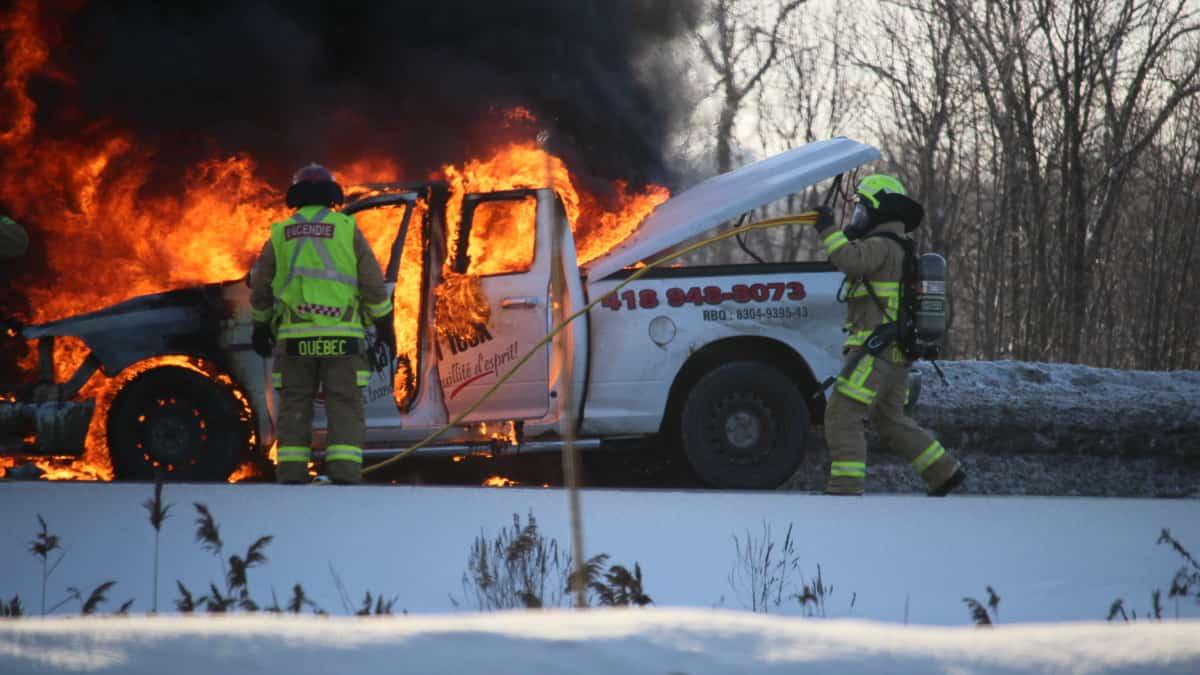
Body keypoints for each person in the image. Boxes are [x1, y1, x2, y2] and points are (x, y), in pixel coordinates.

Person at [812, 174, 965, 496]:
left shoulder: (880, 246)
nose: (858, 218)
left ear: (877, 212)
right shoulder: (900, 247)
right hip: (895, 354)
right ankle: (944, 470)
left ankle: (845, 486)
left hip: (875, 351)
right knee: (889, 419)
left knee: (842, 413)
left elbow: (849, 261)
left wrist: (828, 229)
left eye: (861, 211)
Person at [249, 164, 395, 485]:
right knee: (344, 407)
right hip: (342, 337)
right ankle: (344, 477)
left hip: (295, 340)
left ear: (295, 196)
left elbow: (261, 287)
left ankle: (291, 476)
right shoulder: (346, 229)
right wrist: (384, 325)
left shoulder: (280, 233)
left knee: (295, 407)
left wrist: (260, 325)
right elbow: (372, 283)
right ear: (333, 195)